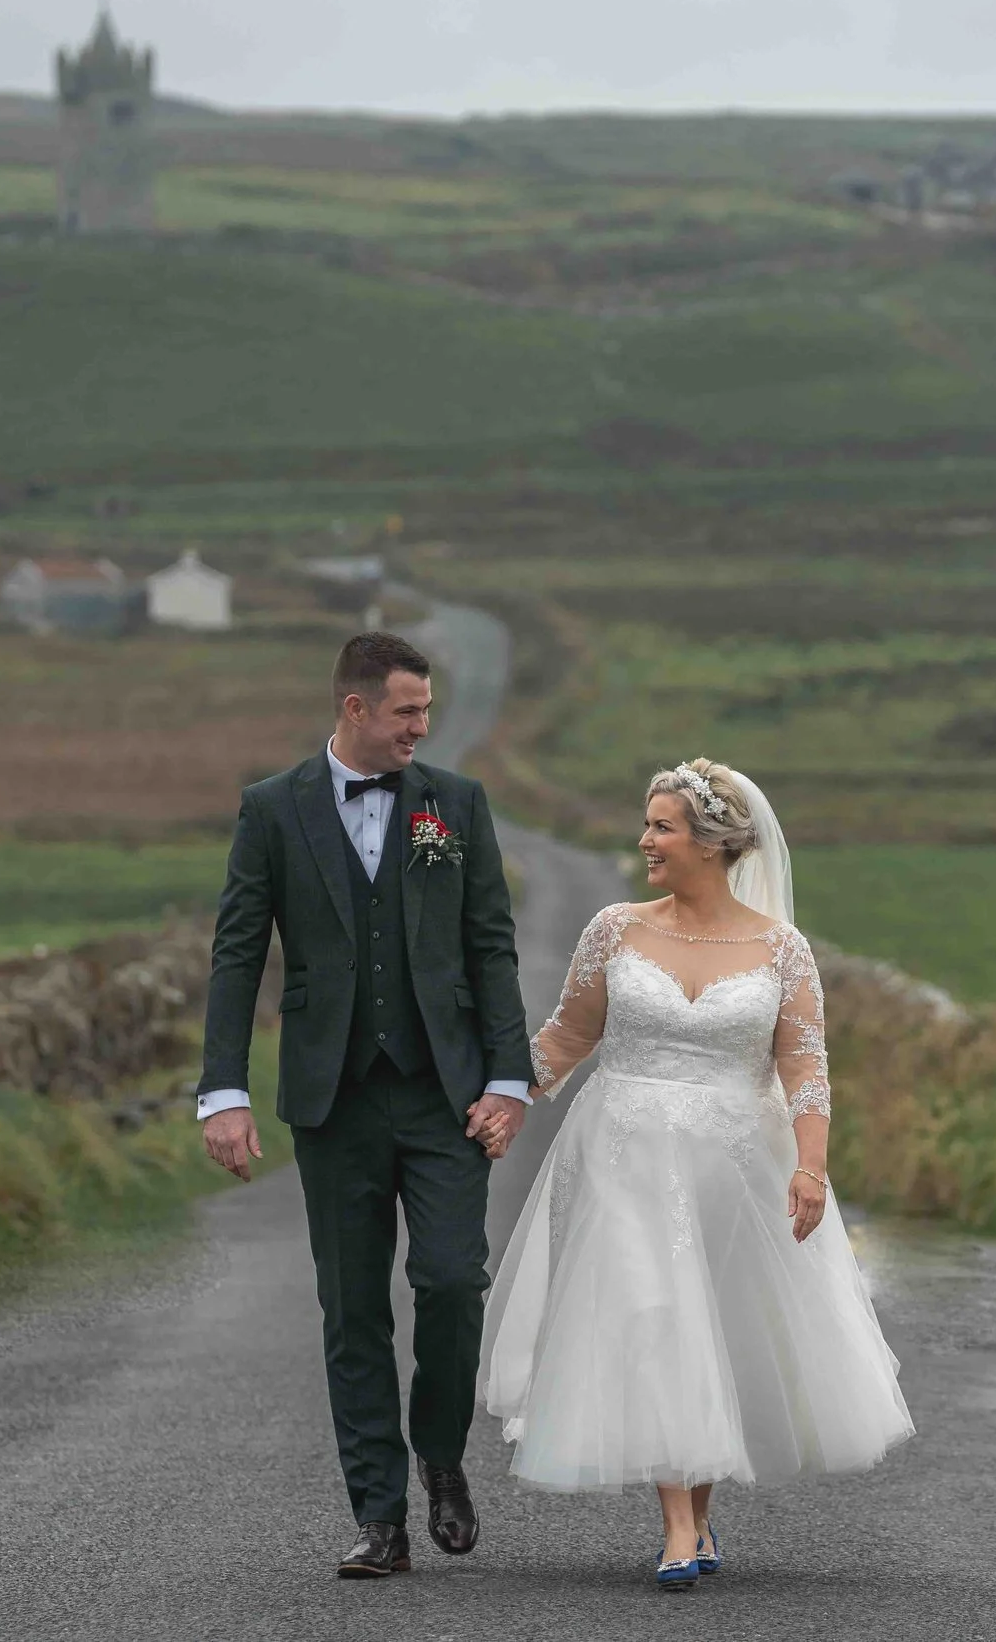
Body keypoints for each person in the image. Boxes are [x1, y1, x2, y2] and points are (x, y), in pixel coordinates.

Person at [481, 758, 914, 1591]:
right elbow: (567, 1036)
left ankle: (699, 1513)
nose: (644, 839)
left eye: (662, 826)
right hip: (623, 1153)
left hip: (736, 1161)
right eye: (647, 823)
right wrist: (505, 1098)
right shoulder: (613, 928)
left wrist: (813, 1167)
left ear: (712, 844)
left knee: (709, 1322)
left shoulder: (781, 949)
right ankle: (679, 1524)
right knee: (652, 1311)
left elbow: (806, 1068)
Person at [198, 631, 533, 1579]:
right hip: (333, 1099)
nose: (421, 728)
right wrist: (223, 1091)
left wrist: (508, 1079)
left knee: (453, 1281)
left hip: (444, 1095)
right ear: (355, 708)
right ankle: (379, 1516)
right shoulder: (271, 809)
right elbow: (236, 955)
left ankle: (440, 1456)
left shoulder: (455, 804)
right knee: (351, 1309)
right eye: (407, 712)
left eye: (425, 711)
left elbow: (492, 945)